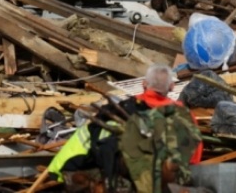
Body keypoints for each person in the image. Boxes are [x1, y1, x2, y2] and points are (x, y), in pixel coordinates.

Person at [48, 64, 202, 188]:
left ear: (143, 84)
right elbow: (194, 160)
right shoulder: (184, 116)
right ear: (172, 87)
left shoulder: (119, 110)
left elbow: (85, 142)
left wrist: (56, 172)